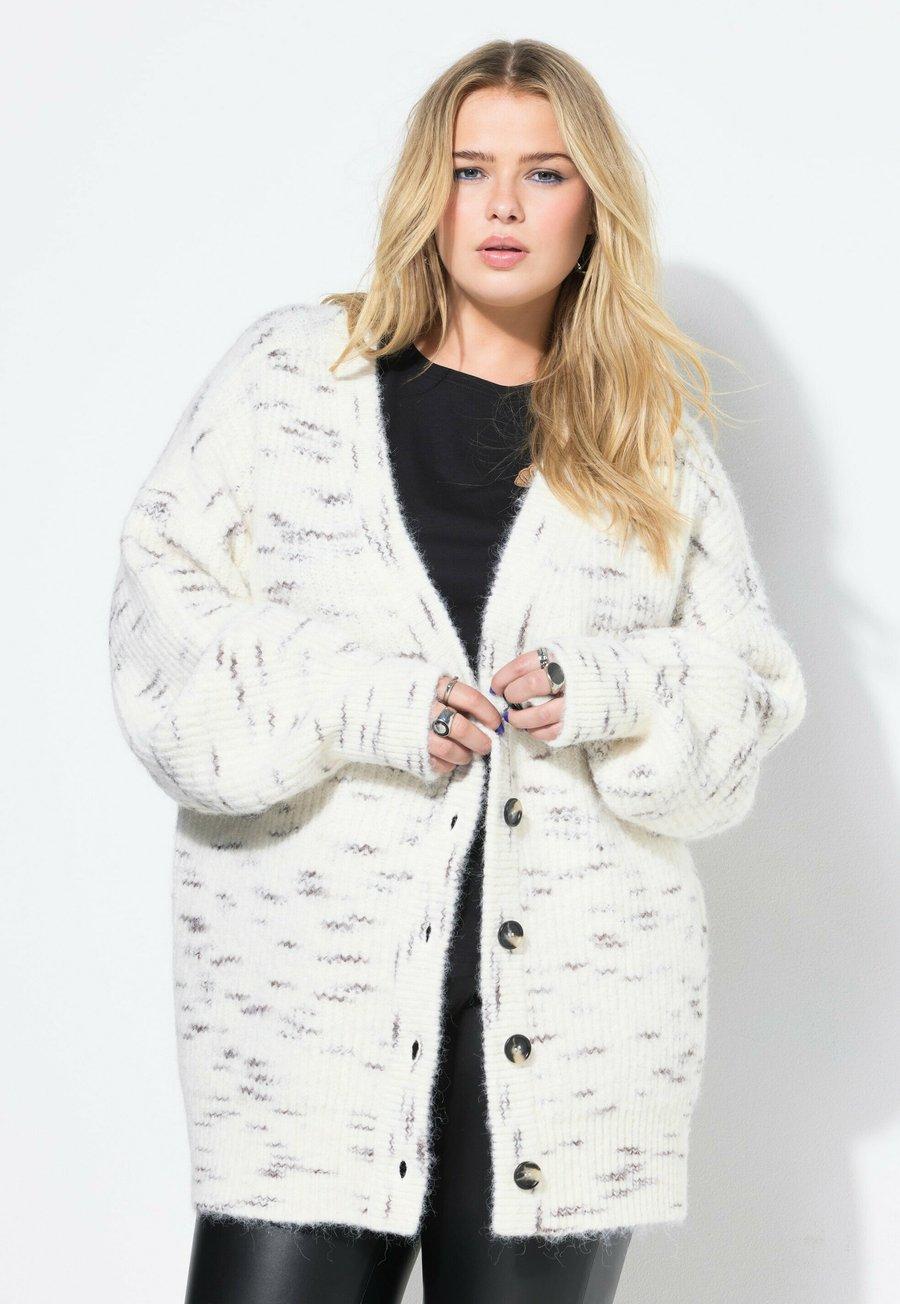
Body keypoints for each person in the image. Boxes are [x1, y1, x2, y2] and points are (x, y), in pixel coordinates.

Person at [108, 38, 807, 1304]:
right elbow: (162, 651)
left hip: (575, 1039)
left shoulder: (648, 437)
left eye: (544, 173)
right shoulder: (290, 380)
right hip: (312, 1025)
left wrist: (605, 690)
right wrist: (369, 702)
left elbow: (746, 698)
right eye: (469, 167)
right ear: (425, 192)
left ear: (593, 206)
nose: (501, 205)